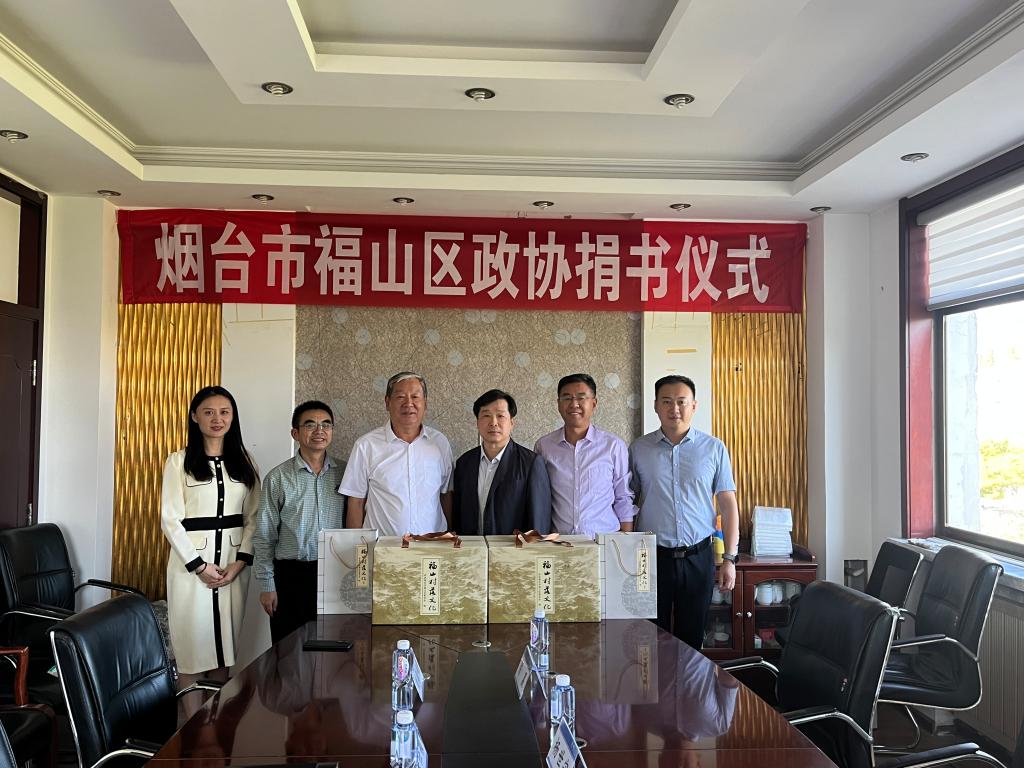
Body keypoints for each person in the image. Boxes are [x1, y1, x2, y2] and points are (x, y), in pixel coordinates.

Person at [629, 374, 739, 650]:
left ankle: (690, 681)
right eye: (667, 401)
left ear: (694, 405)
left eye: (681, 401)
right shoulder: (639, 449)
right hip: (651, 558)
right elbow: (626, 502)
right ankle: (656, 682)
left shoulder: (714, 448)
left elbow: (728, 504)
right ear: (656, 406)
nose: (674, 408)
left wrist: (730, 559)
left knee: (692, 638)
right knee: (650, 638)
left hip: (698, 557)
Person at [161, 385, 259, 680]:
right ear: (195, 416)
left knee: (224, 648)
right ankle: (191, 710)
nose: (218, 419)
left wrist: (239, 563)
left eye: (224, 412)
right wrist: (199, 567)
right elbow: (170, 520)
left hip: (232, 567)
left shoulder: (246, 461)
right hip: (189, 568)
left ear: (233, 417)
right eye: (209, 412)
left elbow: (254, 517)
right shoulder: (178, 462)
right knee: (191, 652)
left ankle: (217, 709)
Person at [254, 400, 347, 644]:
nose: (319, 431)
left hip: (335, 574)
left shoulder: (346, 473)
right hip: (290, 576)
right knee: (289, 651)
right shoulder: (277, 478)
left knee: (333, 648)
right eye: (310, 425)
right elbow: (264, 534)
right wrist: (267, 584)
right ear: (295, 433)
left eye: (326, 424)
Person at [340, 372, 454, 535]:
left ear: (425, 403)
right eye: (400, 397)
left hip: (432, 545)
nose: (409, 403)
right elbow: (356, 502)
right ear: (387, 403)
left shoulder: (440, 443)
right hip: (383, 546)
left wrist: (447, 540)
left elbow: (446, 495)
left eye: (415, 397)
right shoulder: (366, 446)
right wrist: (356, 546)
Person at [533, 373, 635, 536]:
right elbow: (539, 496)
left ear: (594, 403)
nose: (574, 404)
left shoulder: (613, 446)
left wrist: (626, 539)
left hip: (604, 540)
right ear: (558, 404)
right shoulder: (544, 446)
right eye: (567, 398)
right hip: (559, 541)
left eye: (581, 397)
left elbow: (623, 495)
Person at [452, 389, 552, 535]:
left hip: (512, 548)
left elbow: (538, 523)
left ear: (511, 423)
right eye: (486, 415)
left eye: (500, 416)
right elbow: (457, 517)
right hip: (472, 547)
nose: (493, 423)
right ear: (477, 423)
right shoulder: (464, 463)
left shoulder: (531, 463)